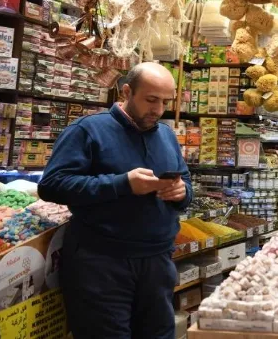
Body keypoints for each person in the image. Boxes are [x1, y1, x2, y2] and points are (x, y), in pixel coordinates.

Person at [38, 62, 193, 339]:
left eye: (165, 102)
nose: (158, 110)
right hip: (101, 262)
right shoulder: (87, 130)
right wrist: (122, 184)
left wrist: (182, 193)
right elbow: (52, 186)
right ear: (126, 92)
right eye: (151, 100)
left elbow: (185, 182)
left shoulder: (167, 135)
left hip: (157, 261)